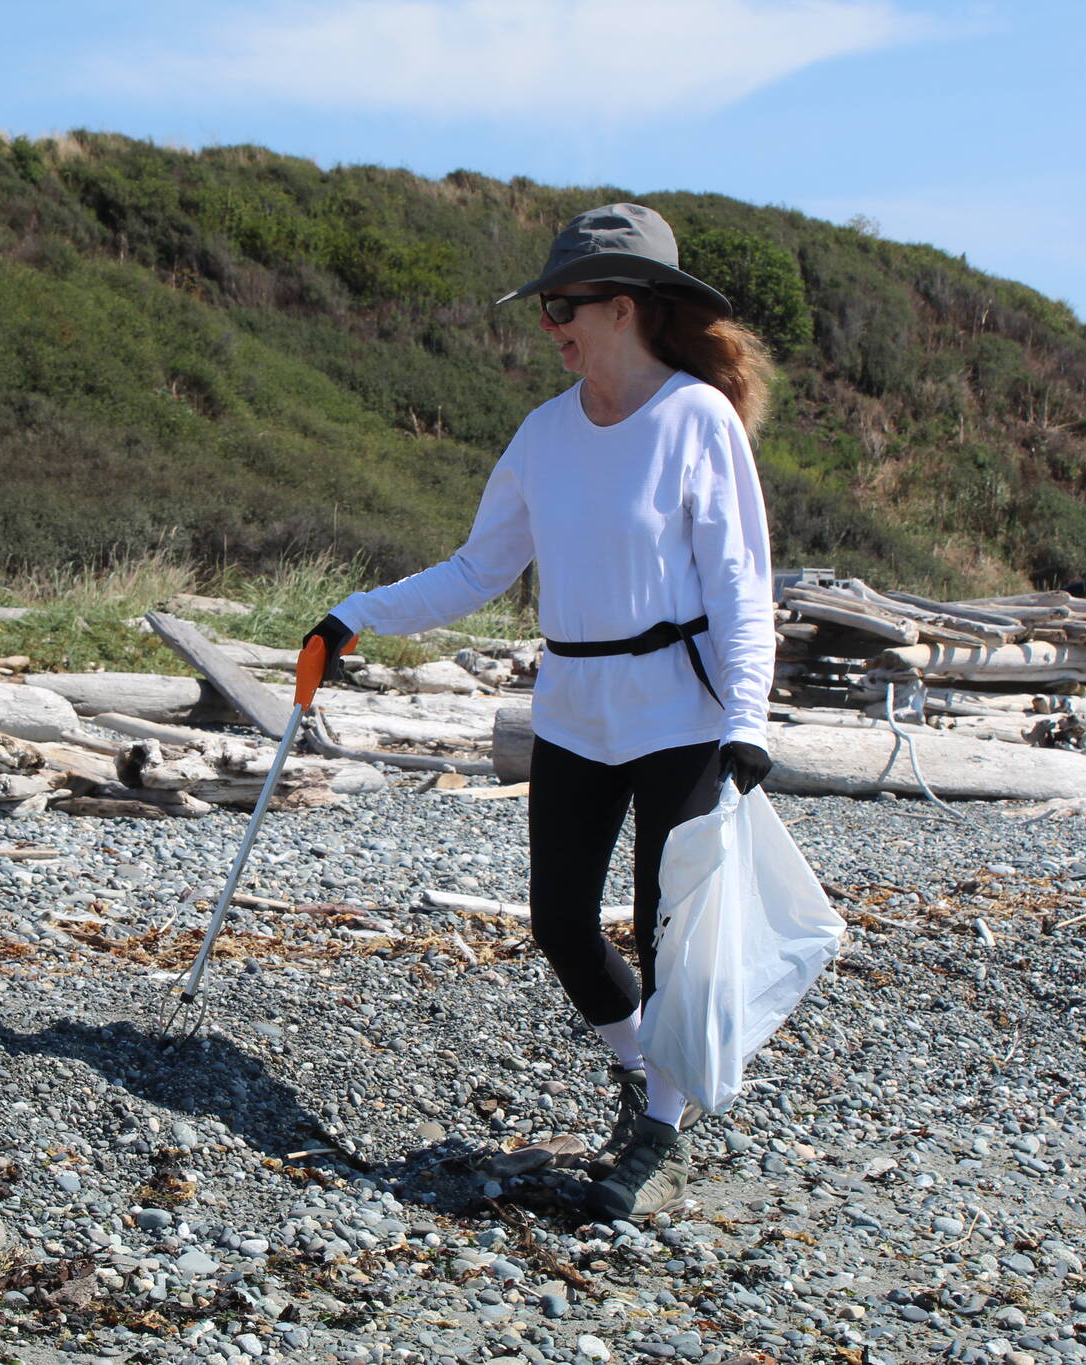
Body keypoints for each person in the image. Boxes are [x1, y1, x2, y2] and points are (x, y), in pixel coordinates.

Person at [304, 204, 777, 1221]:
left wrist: (749, 717)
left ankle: (659, 1126)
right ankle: (644, 1073)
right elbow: (479, 568)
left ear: (621, 307)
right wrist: (353, 617)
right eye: (544, 307)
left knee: (667, 935)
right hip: (571, 709)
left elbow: (740, 580)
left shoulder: (696, 418)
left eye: (562, 306)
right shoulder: (542, 432)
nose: (548, 324)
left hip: (682, 715)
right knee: (560, 922)